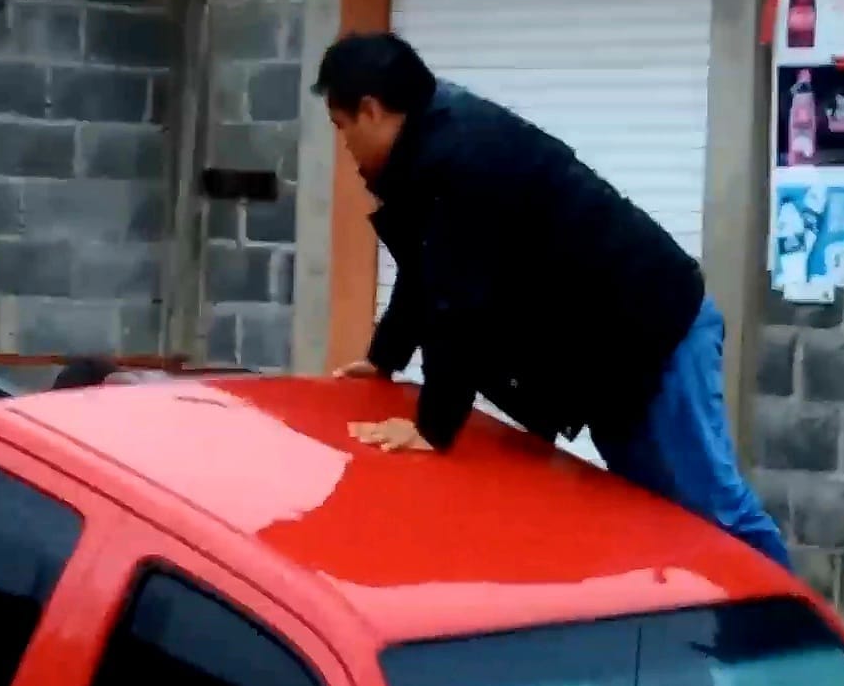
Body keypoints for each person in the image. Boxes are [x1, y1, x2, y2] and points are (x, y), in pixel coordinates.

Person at [315, 32, 790, 569]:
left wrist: (432, 425)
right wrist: (383, 361)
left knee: (717, 512)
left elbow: (459, 298)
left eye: (341, 127)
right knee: (650, 515)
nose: (345, 145)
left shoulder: (462, 155)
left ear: (371, 111)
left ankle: (792, 643)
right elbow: (426, 271)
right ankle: (700, 641)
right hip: (607, 361)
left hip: (659, 334)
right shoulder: (425, 154)